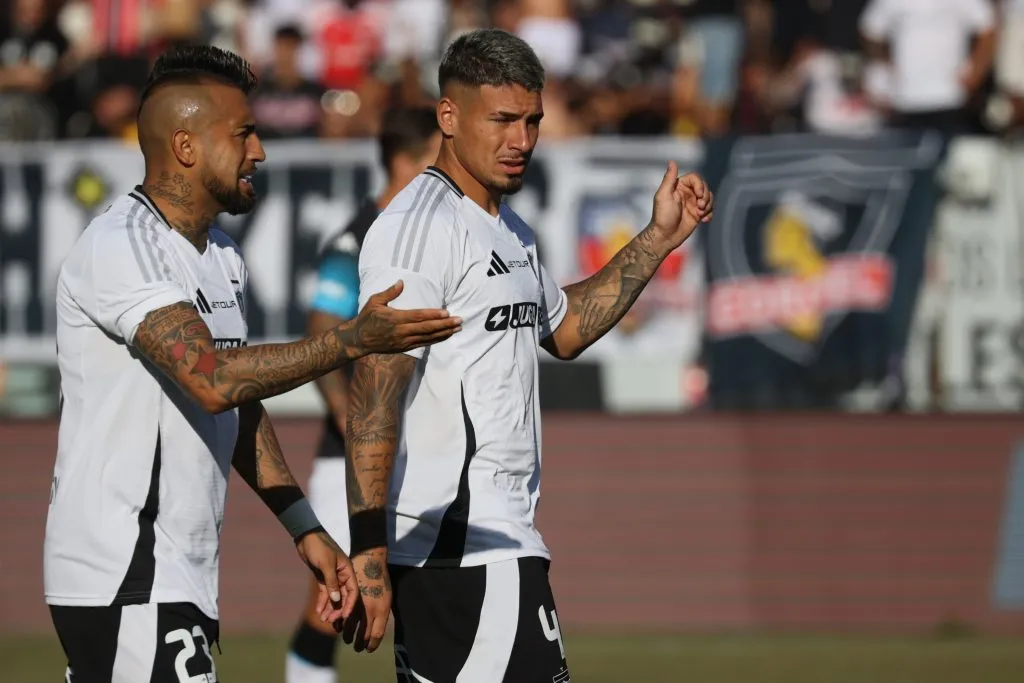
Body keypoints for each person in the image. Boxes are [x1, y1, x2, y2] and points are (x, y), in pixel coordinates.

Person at [43, 44, 461, 683]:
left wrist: (305, 528)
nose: (259, 150)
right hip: (125, 570)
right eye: (243, 133)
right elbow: (211, 380)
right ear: (185, 146)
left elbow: (236, 406)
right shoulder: (123, 246)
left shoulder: (222, 256)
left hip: (172, 574)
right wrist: (351, 341)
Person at [341, 28, 714, 682]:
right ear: (449, 117)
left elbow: (565, 328)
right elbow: (374, 392)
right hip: (460, 550)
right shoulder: (419, 231)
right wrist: (369, 559)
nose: (522, 140)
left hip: (489, 547)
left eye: (533, 120)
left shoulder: (507, 228)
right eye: (504, 120)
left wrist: (657, 239)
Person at [285, 104, 441, 683]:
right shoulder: (356, 239)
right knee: (335, 606)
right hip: (353, 454)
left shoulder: (429, 234)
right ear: (405, 160)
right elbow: (320, 335)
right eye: (434, 154)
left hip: (413, 451)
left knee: (423, 600)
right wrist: (356, 426)